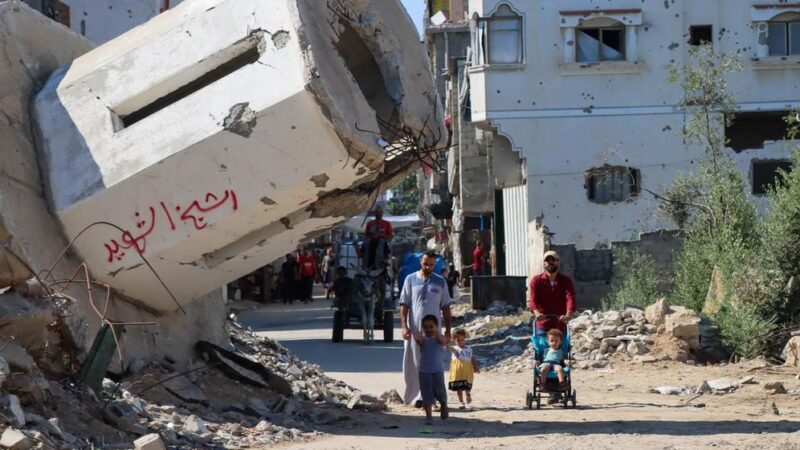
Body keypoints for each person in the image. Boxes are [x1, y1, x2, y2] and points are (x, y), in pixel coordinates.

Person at [399, 250, 452, 405]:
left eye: (431, 265)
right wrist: (404, 326)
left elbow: (446, 308)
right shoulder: (410, 279)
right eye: (425, 264)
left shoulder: (440, 282)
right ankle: (416, 397)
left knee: (433, 364)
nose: (428, 267)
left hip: (434, 332)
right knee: (413, 364)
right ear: (420, 263)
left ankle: (432, 398)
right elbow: (404, 304)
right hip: (415, 331)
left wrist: (448, 331)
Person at [529, 250, 576, 335]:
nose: (550, 262)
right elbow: (533, 300)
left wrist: (568, 314)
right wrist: (537, 313)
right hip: (543, 325)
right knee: (541, 343)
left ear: (558, 262)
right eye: (547, 260)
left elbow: (570, 298)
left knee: (563, 344)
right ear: (544, 264)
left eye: (553, 260)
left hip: (560, 324)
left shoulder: (566, 281)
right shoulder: (536, 281)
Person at [414, 314, 448, 424]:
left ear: (436, 327)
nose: (428, 329)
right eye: (426, 327)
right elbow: (419, 341)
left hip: (438, 371)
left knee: (440, 392)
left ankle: (443, 405)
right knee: (426, 394)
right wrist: (419, 338)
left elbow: (443, 341)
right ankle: (429, 416)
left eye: (431, 326)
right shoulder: (423, 340)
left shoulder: (440, 338)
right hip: (424, 372)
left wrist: (436, 334)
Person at [448, 328, 478, 410]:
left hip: (467, 371)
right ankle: (461, 402)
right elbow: (447, 347)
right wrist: (447, 339)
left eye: (462, 340)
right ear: (454, 340)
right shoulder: (454, 349)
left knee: (467, 385)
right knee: (459, 388)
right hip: (457, 372)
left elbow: (472, 358)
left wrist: (475, 367)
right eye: (458, 340)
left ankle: (468, 395)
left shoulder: (469, 349)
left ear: (465, 338)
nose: (460, 342)